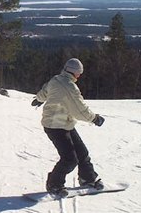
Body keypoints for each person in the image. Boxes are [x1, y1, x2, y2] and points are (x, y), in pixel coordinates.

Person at [32, 58, 106, 197]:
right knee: (69, 158)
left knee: (82, 152)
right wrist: (94, 118)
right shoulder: (70, 87)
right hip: (55, 126)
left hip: (65, 123)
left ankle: (88, 178)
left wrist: (38, 99)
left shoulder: (56, 79)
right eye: (79, 73)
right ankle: (54, 184)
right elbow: (79, 109)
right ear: (76, 73)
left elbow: (45, 91)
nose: (80, 76)